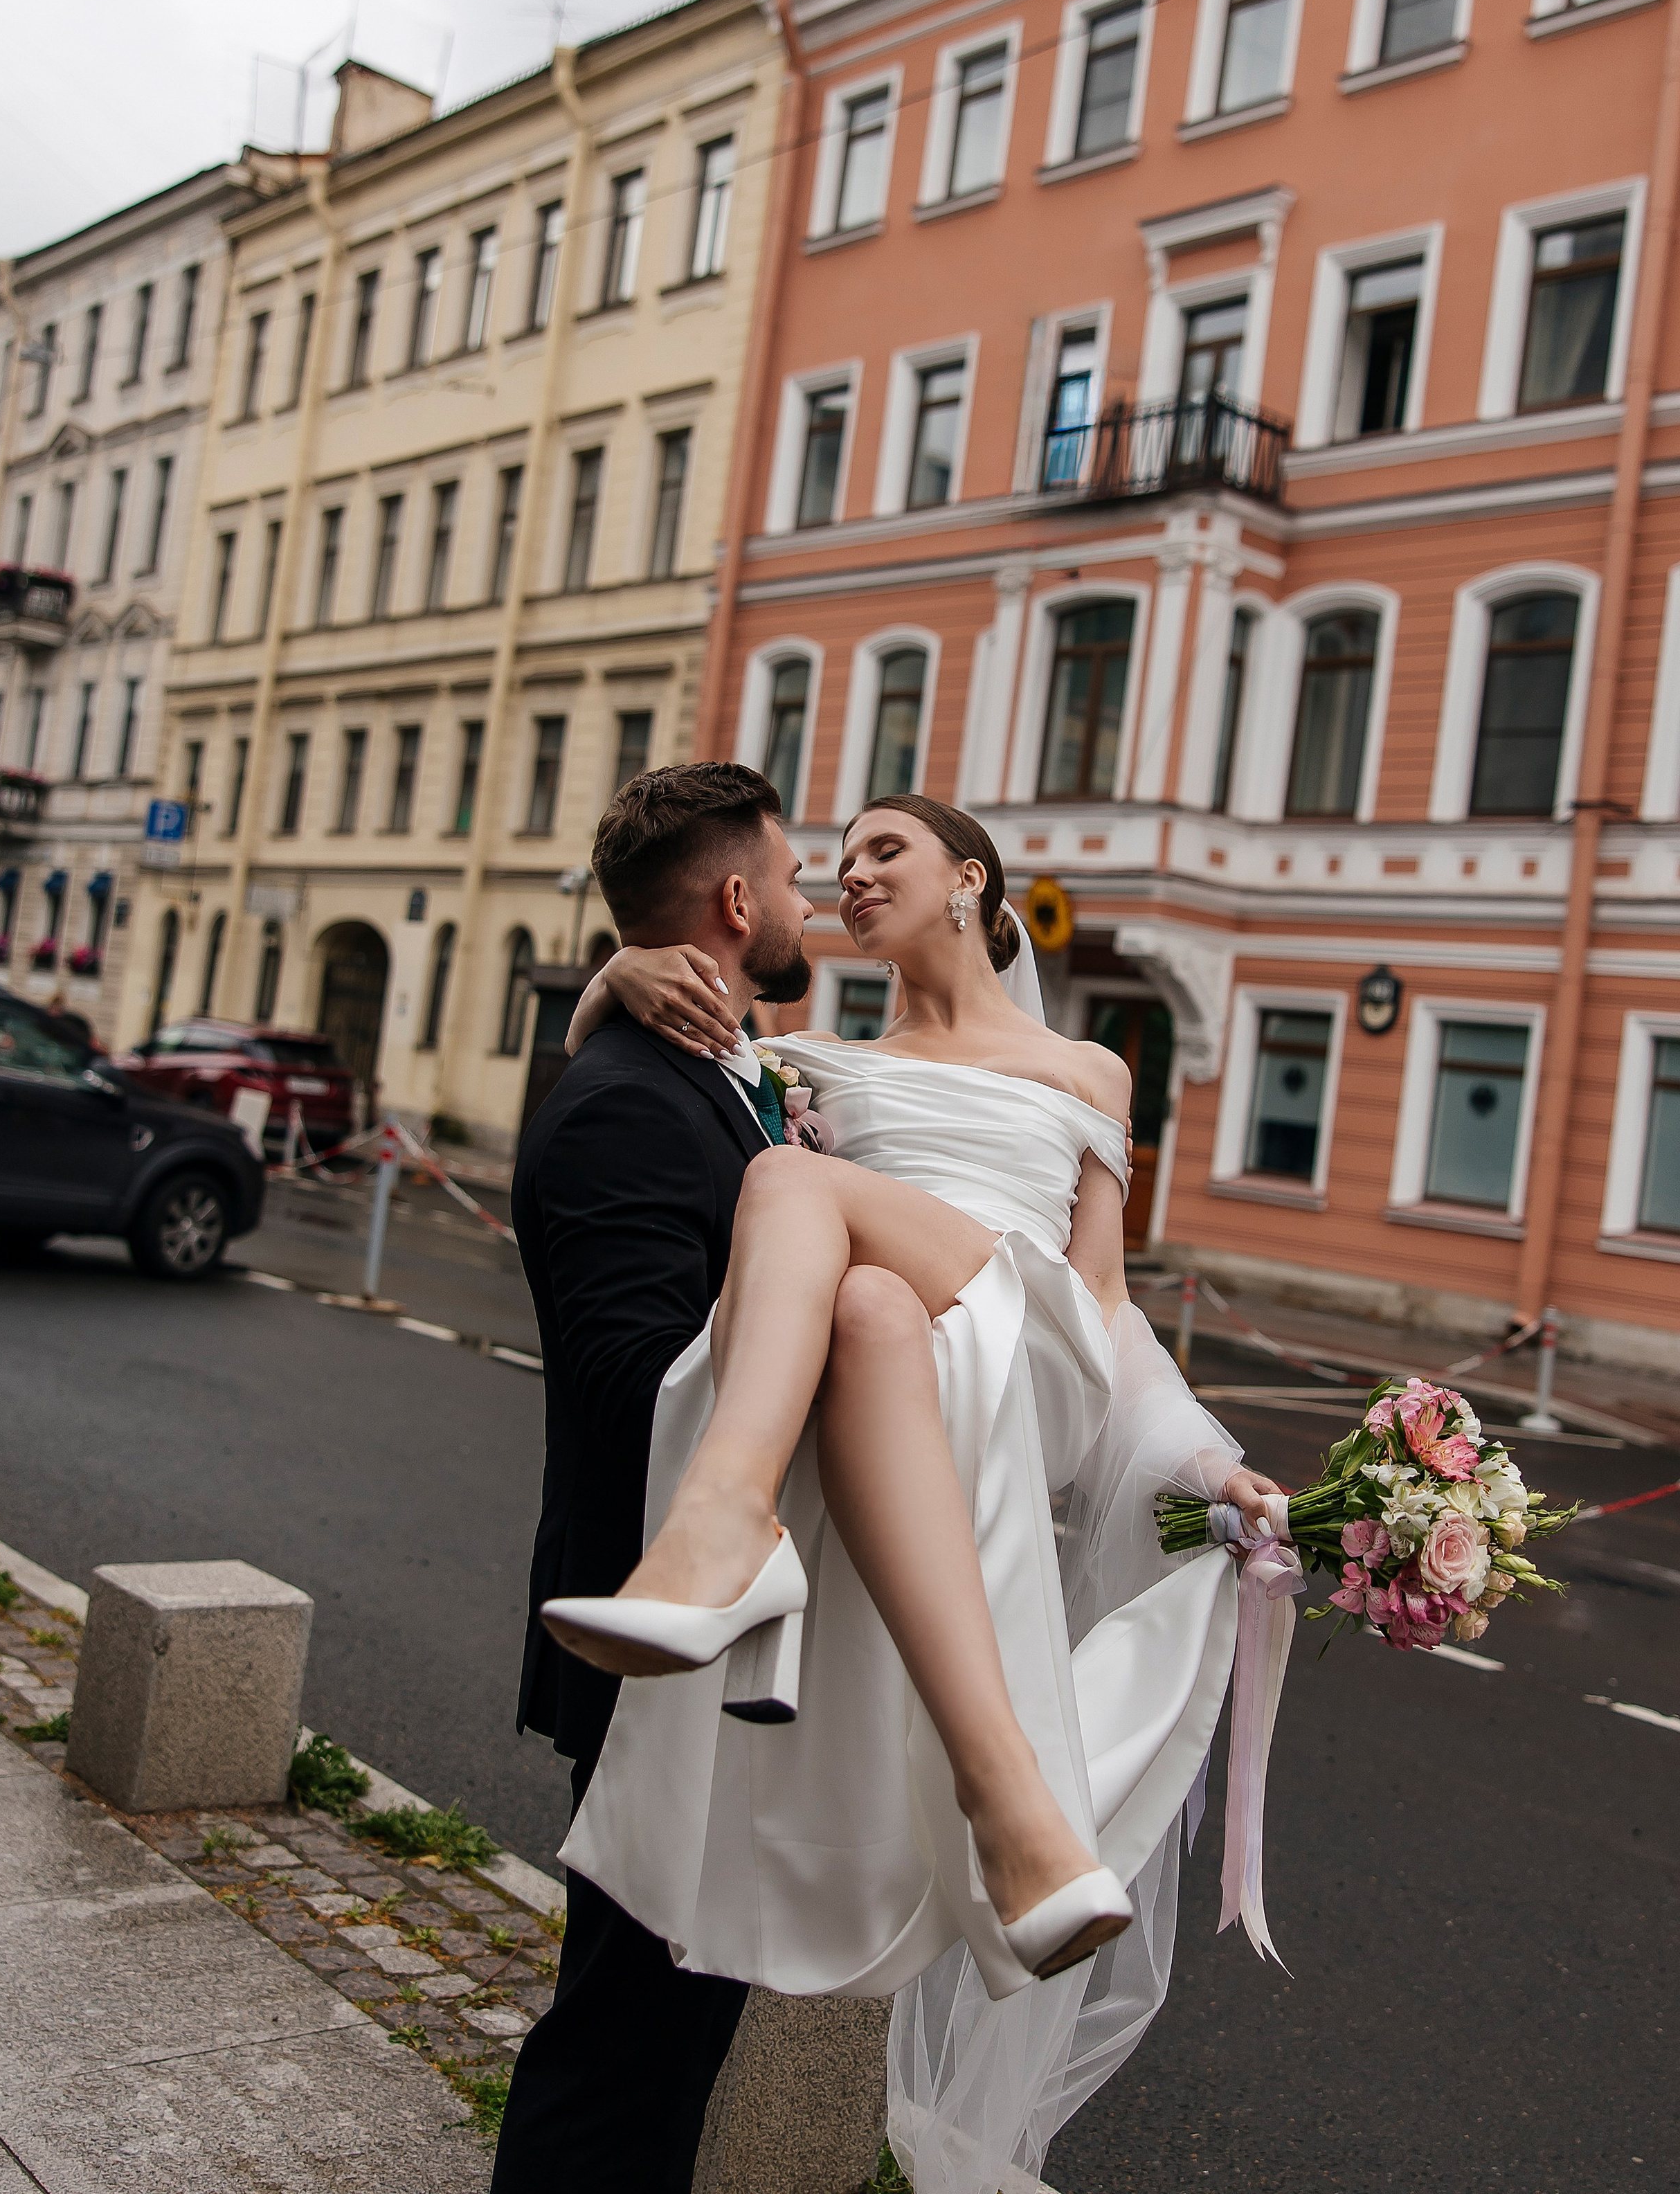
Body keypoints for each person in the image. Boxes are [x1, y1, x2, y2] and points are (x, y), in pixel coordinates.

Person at [545, 791, 1283, 2194]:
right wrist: (606, 976)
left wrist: (1196, 1457)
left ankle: (722, 1526)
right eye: (836, 860)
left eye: (885, 850)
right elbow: (649, 1049)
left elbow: (1111, 1304)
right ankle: (1011, 1819)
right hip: (901, 1358)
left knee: (790, 1187)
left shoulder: (1085, 1071)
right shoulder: (808, 1055)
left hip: (1032, 1342)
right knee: (871, 1306)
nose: (848, 874)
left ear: (969, 881)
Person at [491, 762, 818, 2194]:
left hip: (701, 1642)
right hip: (654, 1643)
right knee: (622, 2051)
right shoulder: (631, 1103)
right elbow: (639, 1392)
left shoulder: (705, 1075)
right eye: (798, 875)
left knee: (663, 2043)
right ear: (737, 901)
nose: (813, 900)